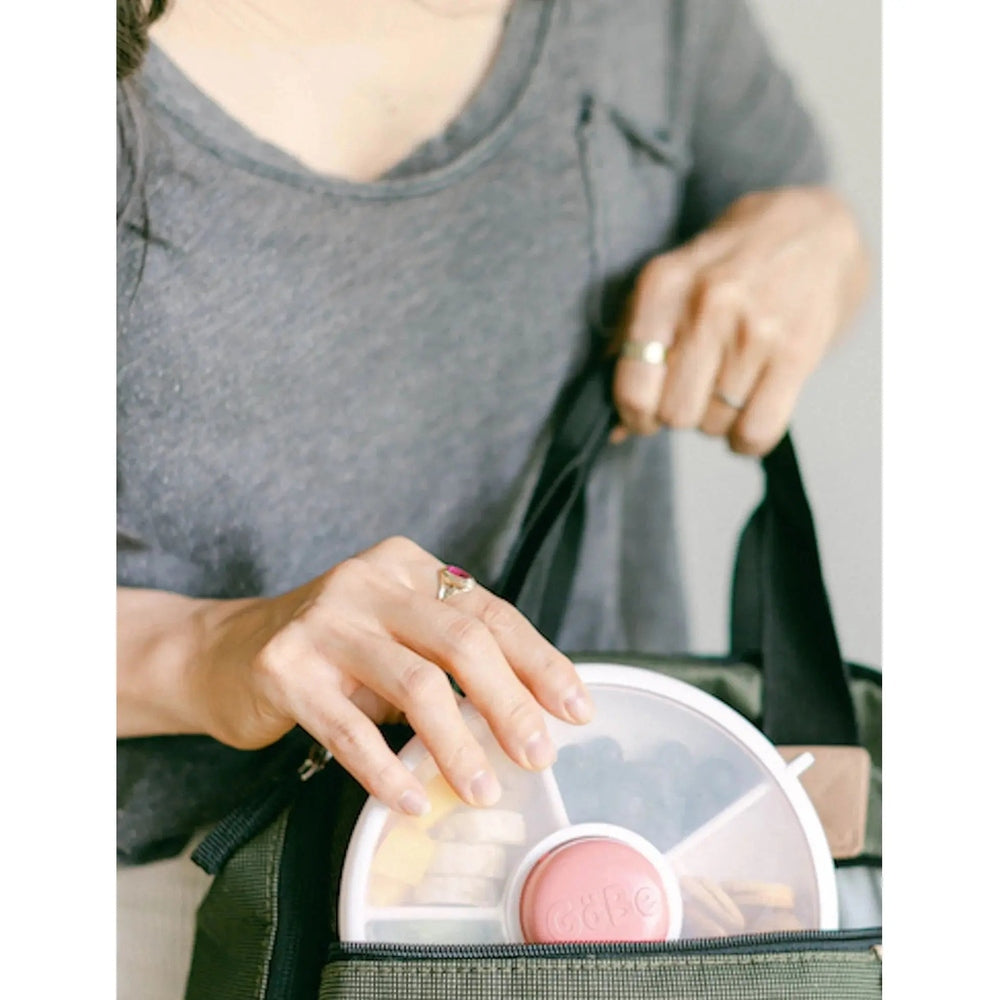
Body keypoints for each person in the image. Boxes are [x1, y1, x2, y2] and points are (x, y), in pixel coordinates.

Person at [117, 0, 868, 989]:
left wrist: (814, 239)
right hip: (183, 926)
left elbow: (799, 220)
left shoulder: (648, 18)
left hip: (657, 906)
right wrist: (205, 649)